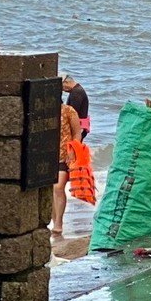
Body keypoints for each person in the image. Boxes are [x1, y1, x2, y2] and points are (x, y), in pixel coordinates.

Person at [51, 101, 95, 239]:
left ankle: (58, 223)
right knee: (50, 189)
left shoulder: (69, 111)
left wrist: (73, 150)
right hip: (48, 154)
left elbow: (77, 134)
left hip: (65, 156)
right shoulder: (46, 111)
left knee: (58, 187)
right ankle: (54, 222)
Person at [61, 73, 90, 143]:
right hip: (81, 126)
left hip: (78, 127)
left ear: (67, 82)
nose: (63, 90)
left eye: (62, 87)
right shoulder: (77, 90)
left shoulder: (76, 93)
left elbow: (73, 112)